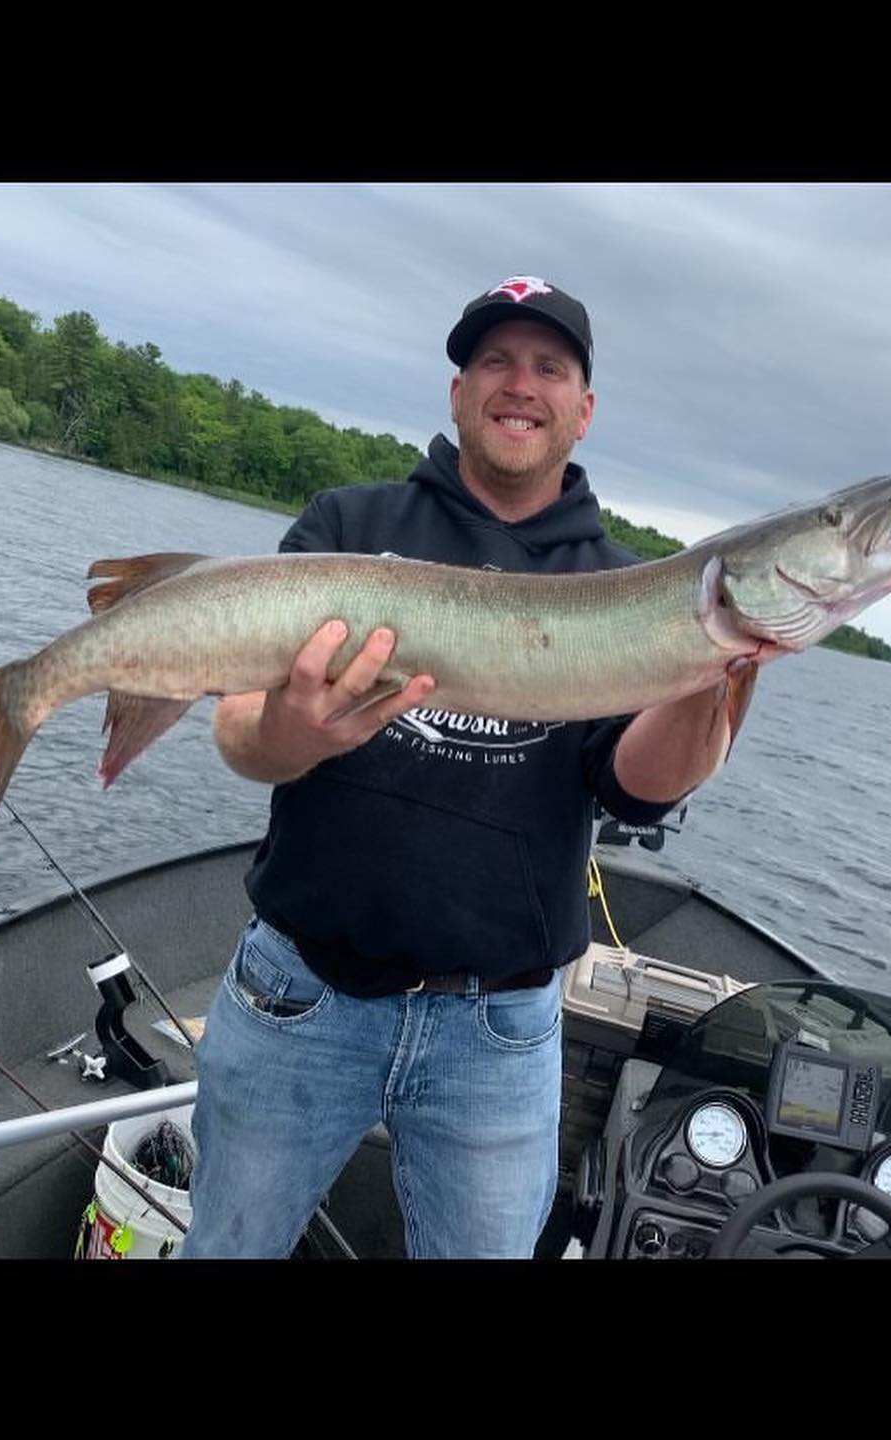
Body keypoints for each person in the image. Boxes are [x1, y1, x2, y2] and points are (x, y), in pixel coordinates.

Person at [183, 276, 753, 1258]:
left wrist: (713, 669)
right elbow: (241, 736)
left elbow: (635, 786)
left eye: (548, 366)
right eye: (493, 360)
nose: (518, 384)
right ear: (456, 393)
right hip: (299, 996)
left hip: (498, 1033)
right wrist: (298, 734)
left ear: (584, 408)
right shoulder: (349, 528)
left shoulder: (620, 589)